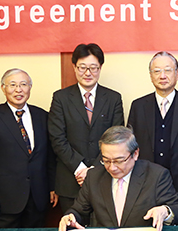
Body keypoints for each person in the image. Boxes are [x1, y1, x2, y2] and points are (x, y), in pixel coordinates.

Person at [126, 51, 178, 223]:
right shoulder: (138, 106)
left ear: (177, 74)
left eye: (168, 70)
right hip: (145, 184)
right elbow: (130, 146)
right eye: (156, 71)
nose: (162, 76)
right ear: (150, 76)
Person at [58, 126, 178, 231]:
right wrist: (70, 217)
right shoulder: (93, 176)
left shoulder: (156, 175)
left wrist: (165, 210)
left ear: (135, 154)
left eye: (119, 161)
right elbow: (78, 210)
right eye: (106, 160)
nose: (112, 167)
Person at [48, 43, 124, 221]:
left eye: (93, 68)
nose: (88, 73)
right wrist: (81, 168)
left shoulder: (113, 98)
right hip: (70, 179)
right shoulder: (61, 98)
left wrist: (95, 169)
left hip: (105, 177)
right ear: (74, 67)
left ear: (100, 68)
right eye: (82, 67)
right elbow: (57, 139)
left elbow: (116, 138)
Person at [0, 69, 57, 228]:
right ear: (3, 88)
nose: (18, 90)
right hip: (4, 200)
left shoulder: (42, 116)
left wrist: (52, 187)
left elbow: (49, 157)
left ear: (30, 88)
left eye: (23, 84)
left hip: (38, 198)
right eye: (12, 85)